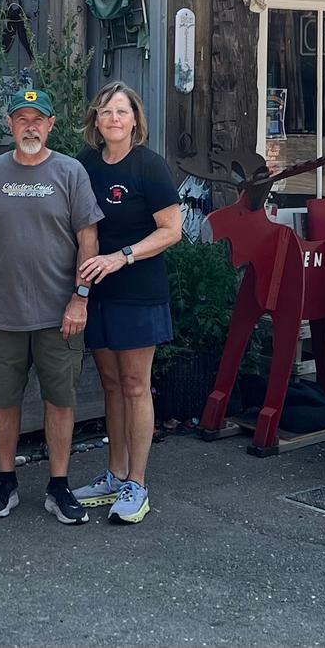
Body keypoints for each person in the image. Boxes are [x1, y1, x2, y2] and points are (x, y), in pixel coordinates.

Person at [0, 85, 101, 524]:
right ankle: (5, 482)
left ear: (51, 125)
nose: (30, 126)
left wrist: (80, 299)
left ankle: (58, 485)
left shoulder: (70, 173)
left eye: (38, 118)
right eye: (22, 118)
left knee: (60, 401)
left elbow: (89, 240)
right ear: (9, 125)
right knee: (4, 400)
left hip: (58, 313)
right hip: (3, 310)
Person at [72, 82, 182, 526]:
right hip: (98, 291)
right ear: (96, 123)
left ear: (135, 119)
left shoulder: (149, 167)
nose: (114, 118)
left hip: (139, 290)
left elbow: (171, 230)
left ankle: (137, 484)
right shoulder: (84, 167)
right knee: (112, 385)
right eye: (106, 112)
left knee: (136, 385)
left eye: (122, 111)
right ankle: (115, 475)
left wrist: (123, 257)